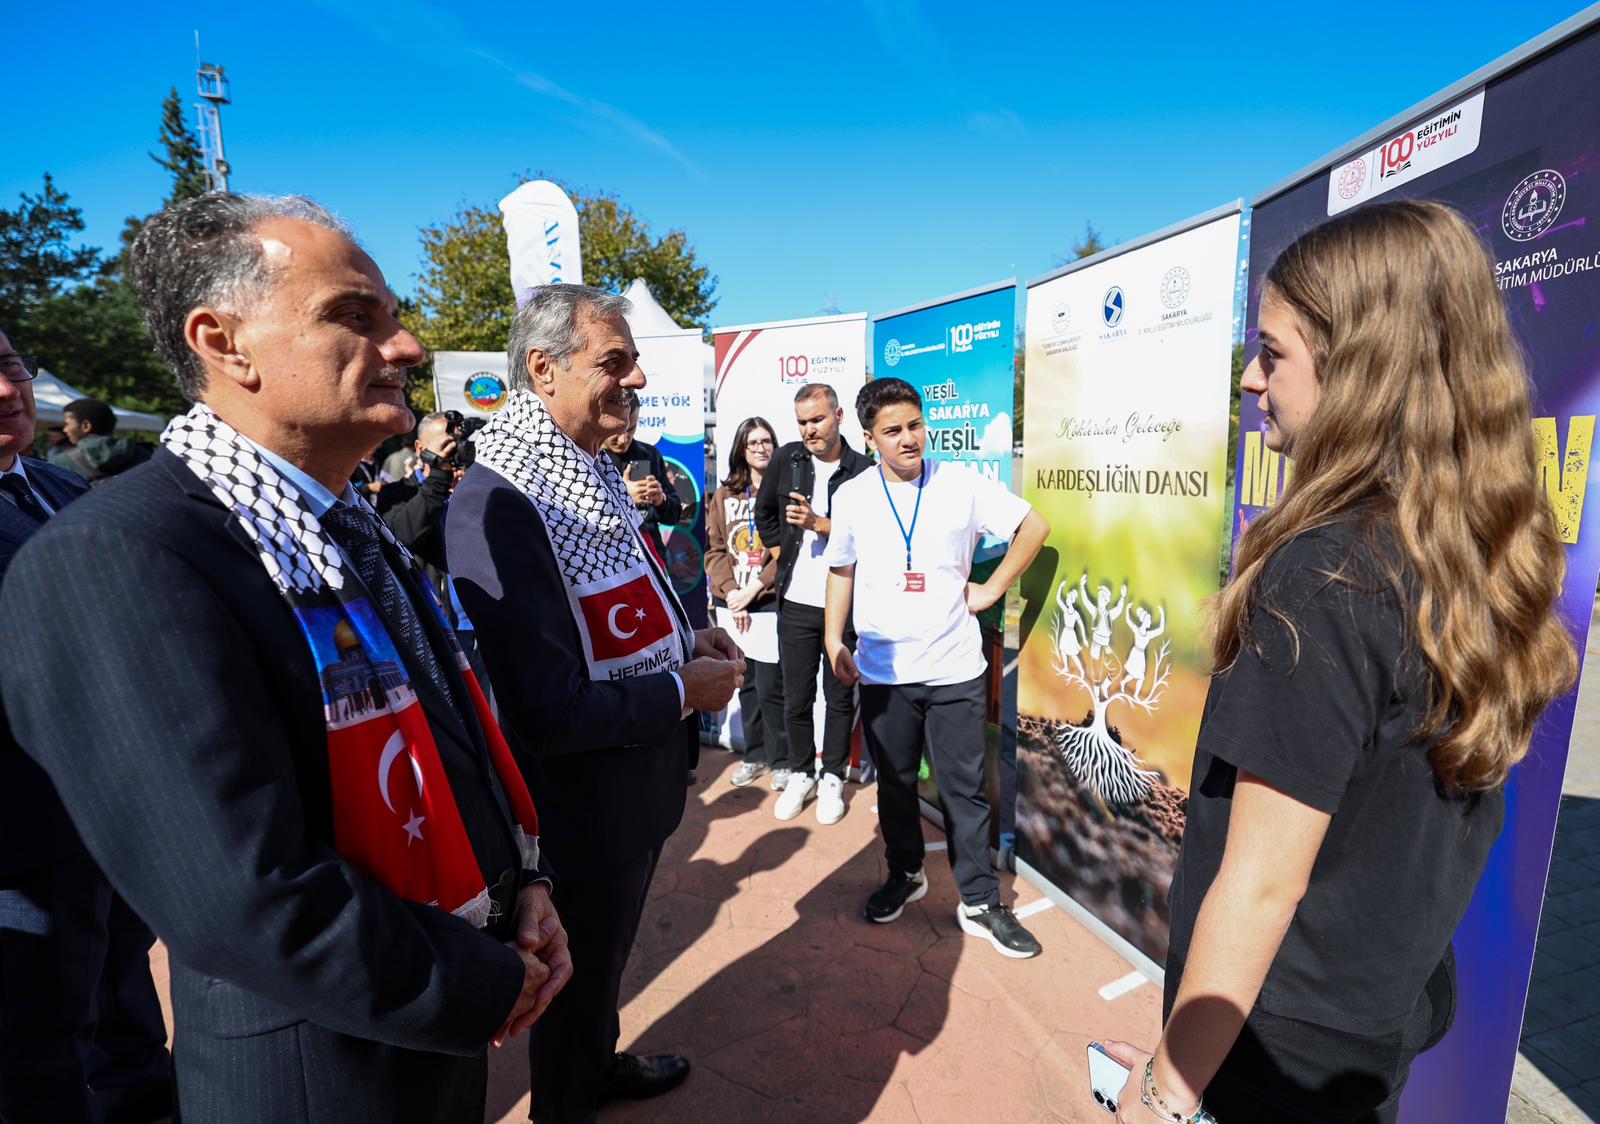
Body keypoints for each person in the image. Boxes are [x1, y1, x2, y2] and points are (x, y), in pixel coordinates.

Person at [0, 194, 572, 1123]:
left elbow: (446, 731)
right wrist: (474, 982)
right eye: (355, 316)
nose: (409, 348)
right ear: (223, 343)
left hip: (438, 1020)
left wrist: (525, 886)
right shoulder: (122, 556)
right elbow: (242, 895)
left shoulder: (351, 525)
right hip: (324, 1076)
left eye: (395, 318)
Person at [1099, 200, 1577, 1123]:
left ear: (1361, 368)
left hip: (1274, 1051)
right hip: (1372, 1027)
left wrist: (1164, 1089)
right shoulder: (1476, 551)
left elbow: (1262, 883)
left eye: (1271, 353)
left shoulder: (1322, 574)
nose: (1249, 379)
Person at [447, 283, 744, 1123]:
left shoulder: (587, 466)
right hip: (583, 806)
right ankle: (568, 1100)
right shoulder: (500, 504)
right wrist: (681, 689)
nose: (638, 379)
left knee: (605, 961)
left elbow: (625, 606)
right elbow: (545, 709)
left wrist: (688, 642)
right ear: (544, 370)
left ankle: (593, 1064)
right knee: (580, 965)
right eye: (614, 362)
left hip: (634, 788)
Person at [0, 332, 173, 1123]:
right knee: (36, 1057)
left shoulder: (64, 491)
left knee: (123, 1021)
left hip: (115, 828)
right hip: (20, 854)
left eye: (9, 366)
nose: (9, 391)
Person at [823, 377, 1050, 957]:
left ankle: (980, 901)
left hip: (954, 668)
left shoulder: (963, 485)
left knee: (965, 791)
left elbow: (1035, 528)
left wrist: (992, 587)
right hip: (882, 671)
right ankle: (905, 873)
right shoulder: (851, 495)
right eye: (893, 431)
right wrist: (832, 637)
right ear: (869, 437)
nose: (909, 440)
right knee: (895, 786)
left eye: (915, 425)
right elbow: (841, 568)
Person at [754, 383, 873, 824]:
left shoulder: (864, 470)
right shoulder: (788, 458)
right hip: (797, 601)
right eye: (802, 422)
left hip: (843, 604)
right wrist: (781, 552)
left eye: (817, 420)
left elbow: (872, 535)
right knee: (796, 696)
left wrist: (820, 524)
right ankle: (802, 772)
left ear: (839, 416)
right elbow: (764, 512)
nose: (809, 430)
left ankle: (833, 777)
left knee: (839, 696)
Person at [705, 415, 787, 788]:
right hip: (732, 602)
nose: (760, 447)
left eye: (766, 440)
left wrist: (753, 589)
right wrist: (730, 593)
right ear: (741, 448)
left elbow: (786, 551)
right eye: (752, 442)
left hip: (766, 599)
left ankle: (782, 759)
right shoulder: (724, 495)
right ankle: (755, 756)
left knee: (773, 685)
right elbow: (716, 548)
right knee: (746, 682)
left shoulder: (784, 492)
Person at [602, 391, 684, 564]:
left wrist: (661, 500)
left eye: (631, 429)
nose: (624, 439)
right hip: (610, 563)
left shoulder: (649, 454)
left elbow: (674, 514)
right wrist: (623, 497)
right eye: (618, 429)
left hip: (652, 559)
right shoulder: (589, 457)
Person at [48, 397, 150, 485]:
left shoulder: (59, 464)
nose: (65, 429)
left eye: (67, 424)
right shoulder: (145, 455)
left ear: (86, 426)